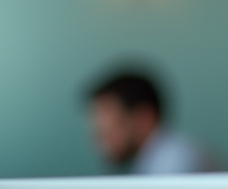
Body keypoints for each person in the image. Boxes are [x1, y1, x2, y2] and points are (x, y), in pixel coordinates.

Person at [86, 69, 219, 174]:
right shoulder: (154, 163)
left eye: (107, 131)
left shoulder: (176, 163)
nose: (101, 145)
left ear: (144, 118)